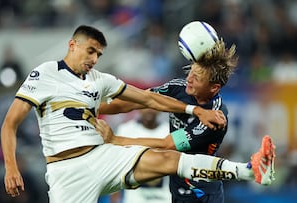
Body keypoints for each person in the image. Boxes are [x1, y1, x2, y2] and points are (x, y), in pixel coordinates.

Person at [0, 25, 275, 203]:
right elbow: (10, 124)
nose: (95, 59)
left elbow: (149, 107)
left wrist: (116, 141)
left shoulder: (217, 116)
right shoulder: (44, 73)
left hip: (189, 188)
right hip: (66, 171)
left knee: (171, 158)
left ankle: (250, 170)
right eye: (91, 51)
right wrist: (11, 166)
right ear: (72, 45)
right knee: (171, 159)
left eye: (99, 54)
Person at [98, 38, 241, 203]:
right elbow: (136, 101)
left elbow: (167, 144)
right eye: (191, 72)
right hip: (176, 190)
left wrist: (116, 140)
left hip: (202, 194)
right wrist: (91, 107)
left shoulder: (216, 117)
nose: (189, 79)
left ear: (213, 87)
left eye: (197, 77)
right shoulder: (177, 88)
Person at [112, 109, 172, 203]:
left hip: (165, 197)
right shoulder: (126, 130)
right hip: (135, 198)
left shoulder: (169, 131)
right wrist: (115, 197)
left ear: (159, 109)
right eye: (145, 106)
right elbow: (116, 166)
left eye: (152, 106)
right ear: (138, 108)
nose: (149, 110)